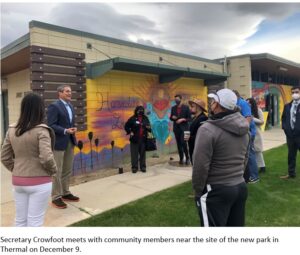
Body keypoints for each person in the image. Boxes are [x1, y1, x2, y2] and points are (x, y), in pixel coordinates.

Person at [192, 88, 250, 227]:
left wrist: (198, 191)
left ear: (217, 104)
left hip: (216, 190)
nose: (211, 103)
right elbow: (245, 158)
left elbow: (200, 165)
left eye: (213, 101)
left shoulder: (207, 129)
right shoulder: (243, 126)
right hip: (240, 186)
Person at [1, 93, 57, 227]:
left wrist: (16, 169)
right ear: (40, 108)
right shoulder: (42, 130)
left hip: (18, 181)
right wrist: (54, 171)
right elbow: (46, 157)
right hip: (40, 181)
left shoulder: (12, 130)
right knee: (35, 222)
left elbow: (4, 156)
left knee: (20, 220)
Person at [47, 85, 79, 209]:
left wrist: (72, 129)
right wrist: (65, 130)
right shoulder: (54, 106)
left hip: (70, 141)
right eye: (67, 91)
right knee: (57, 171)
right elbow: (51, 125)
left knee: (67, 169)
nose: (70, 93)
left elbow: (70, 123)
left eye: (70, 91)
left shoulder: (71, 106)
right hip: (59, 143)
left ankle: (65, 192)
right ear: (59, 93)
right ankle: (56, 197)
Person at [234, 90, 259, 184]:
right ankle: (247, 175)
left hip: (248, 133)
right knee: (245, 155)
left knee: (250, 155)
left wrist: (243, 132)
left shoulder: (243, 103)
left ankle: (254, 176)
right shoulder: (238, 103)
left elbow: (248, 118)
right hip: (245, 133)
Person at [125, 105, 151, 173]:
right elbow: (126, 126)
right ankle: (134, 167)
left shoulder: (145, 118)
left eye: (142, 110)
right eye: (139, 110)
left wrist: (148, 128)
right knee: (134, 154)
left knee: (142, 154)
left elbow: (149, 127)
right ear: (136, 111)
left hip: (143, 139)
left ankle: (143, 167)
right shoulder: (132, 118)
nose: (140, 112)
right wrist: (130, 132)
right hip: (134, 139)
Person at [281, 86, 300, 179]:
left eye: (296, 92)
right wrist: (285, 128)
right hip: (290, 136)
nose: (294, 94)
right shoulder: (287, 106)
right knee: (291, 155)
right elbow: (283, 118)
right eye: (292, 92)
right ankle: (291, 173)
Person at [170, 94, 191, 165]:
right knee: (179, 145)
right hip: (176, 129)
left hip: (185, 129)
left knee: (183, 143)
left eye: (178, 99)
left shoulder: (186, 107)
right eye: (175, 100)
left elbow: (189, 118)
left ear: (181, 99)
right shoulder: (173, 108)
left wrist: (182, 119)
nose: (176, 101)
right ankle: (181, 158)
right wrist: (173, 117)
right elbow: (170, 117)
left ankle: (187, 158)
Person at [185, 98, 208, 164]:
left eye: (192, 106)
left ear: (198, 108)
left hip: (198, 149)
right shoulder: (195, 117)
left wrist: (190, 137)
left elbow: (202, 136)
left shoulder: (203, 118)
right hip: (192, 147)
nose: (191, 108)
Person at [247, 98, 266, 173]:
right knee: (251, 151)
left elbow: (262, 121)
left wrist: (253, 118)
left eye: (249, 103)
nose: (248, 104)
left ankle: (262, 167)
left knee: (258, 150)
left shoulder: (258, 110)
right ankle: (253, 166)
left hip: (256, 133)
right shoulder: (247, 110)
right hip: (248, 133)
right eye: (247, 103)